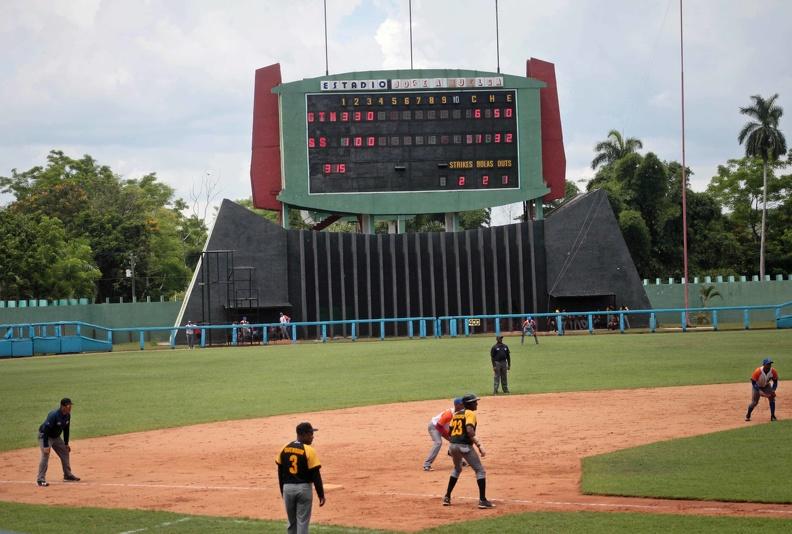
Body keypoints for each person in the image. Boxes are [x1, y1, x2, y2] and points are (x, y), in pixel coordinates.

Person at [442, 393, 494, 509]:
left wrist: (454, 444)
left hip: (453, 445)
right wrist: (479, 445)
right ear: (469, 404)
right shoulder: (470, 413)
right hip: (464, 446)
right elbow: (470, 430)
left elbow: (450, 432)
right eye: (475, 402)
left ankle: (447, 497)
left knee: (457, 469)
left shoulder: (456, 414)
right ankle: (482, 500)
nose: (477, 403)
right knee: (480, 471)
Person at [276, 422, 326, 534]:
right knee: (302, 522)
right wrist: (321, 494)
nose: (312, 436)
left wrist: (282, 490)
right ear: (302, 435)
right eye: (310, 434)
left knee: (291, 523)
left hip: (287, 488)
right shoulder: (309, 450)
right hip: (304, 489)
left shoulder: (285, 448)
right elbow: (316, 475)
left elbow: (280, 471)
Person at [37, 398, 80, 486]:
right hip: (45, 436)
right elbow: (46, 430)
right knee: (45, 454)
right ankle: (40, 479)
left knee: (65, 451)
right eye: (68, 405)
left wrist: (66, 443)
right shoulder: (54, 415)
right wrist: (46, 446)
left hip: (56, 437)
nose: (70, 407)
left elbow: (66, 430)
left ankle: (67, 475)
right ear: (62, 406)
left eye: (70, 405)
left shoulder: (67, 415)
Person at [423, 398, 465, 471]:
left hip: (444, 427)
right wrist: (448, 437)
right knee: (438, 442)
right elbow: (439, 426)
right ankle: (427, 464)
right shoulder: (449, 414)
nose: (464, 406)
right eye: (462, 404)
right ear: (457, 405)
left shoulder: (461, 412)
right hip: (434, 426)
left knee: (456, 440)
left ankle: (451, 453)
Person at [745, 357, 779, 422]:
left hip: (766, 385)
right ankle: (748, 415)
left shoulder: (773, 371)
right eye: (768, 364)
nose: (769, 365)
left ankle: (773, 415)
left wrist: (773, 390)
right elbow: (753, 382)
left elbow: (775, 381)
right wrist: (759, 391)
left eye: (770, 364)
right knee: (754, 402)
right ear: (764, 364)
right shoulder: (758, 371)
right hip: (757, 386)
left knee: (772, 398)